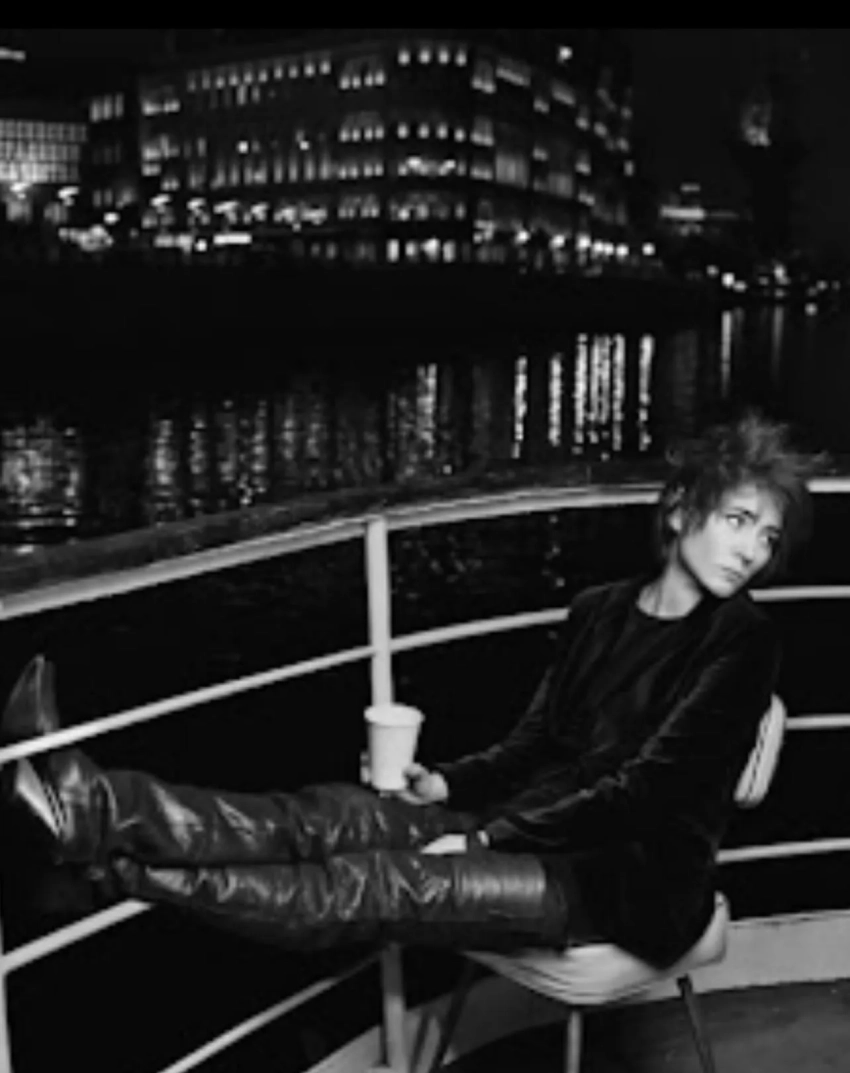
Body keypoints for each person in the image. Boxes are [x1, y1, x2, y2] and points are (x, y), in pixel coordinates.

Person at [0, 412, 814, 969]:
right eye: (738, 521)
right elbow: (534, 743)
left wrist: (485, 841)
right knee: (328, 816)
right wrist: (445, 786)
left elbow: (643, 791)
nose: (752, 551)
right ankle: (94, 808)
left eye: (768, 537)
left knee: (376, 883)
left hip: (621, 884)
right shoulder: (597, 611)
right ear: (679, 510)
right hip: (524, 823)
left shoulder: (743, 641)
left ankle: (111, 871)